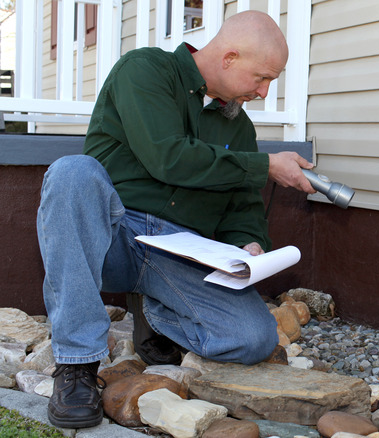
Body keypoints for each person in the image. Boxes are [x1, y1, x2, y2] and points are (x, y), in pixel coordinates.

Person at [36, 10, 314, 429]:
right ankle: (76, 365)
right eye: (261, 77)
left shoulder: (238, 126)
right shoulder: (146, 70)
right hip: (114, 235)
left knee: (253, 338)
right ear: (229, 57)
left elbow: (243, 207)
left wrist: (250, 244)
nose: (264, 90)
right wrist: (266, 166)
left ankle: (156, 315)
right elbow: (169, 157)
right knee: (72, 172)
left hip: (177, 251)